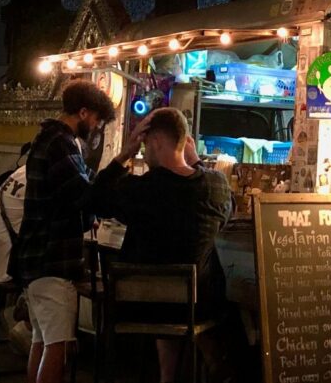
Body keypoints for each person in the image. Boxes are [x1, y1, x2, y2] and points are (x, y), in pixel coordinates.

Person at [87, 107, 237, 383]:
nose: (143, 151)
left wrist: (124, 155)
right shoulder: (214, 186)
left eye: (144, 145)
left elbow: (95, 200)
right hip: (194, 308)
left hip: (140, 305)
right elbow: (230, 210)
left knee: (164, 288)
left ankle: (174, 375)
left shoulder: (139, 190)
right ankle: (218, 363)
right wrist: (197, 164)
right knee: (219, 297)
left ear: (155, 141)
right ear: (186, 143)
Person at [9, 79, 126, 383]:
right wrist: (121, 160)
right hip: (51, 259)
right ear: (84, 112)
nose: (97, 127)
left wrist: (89, 211)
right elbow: (83, 194)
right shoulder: (60, 142)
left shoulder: (50, 139)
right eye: (98, 120)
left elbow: (73, 194)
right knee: (58, 348)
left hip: (36, 259)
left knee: (42, 342)